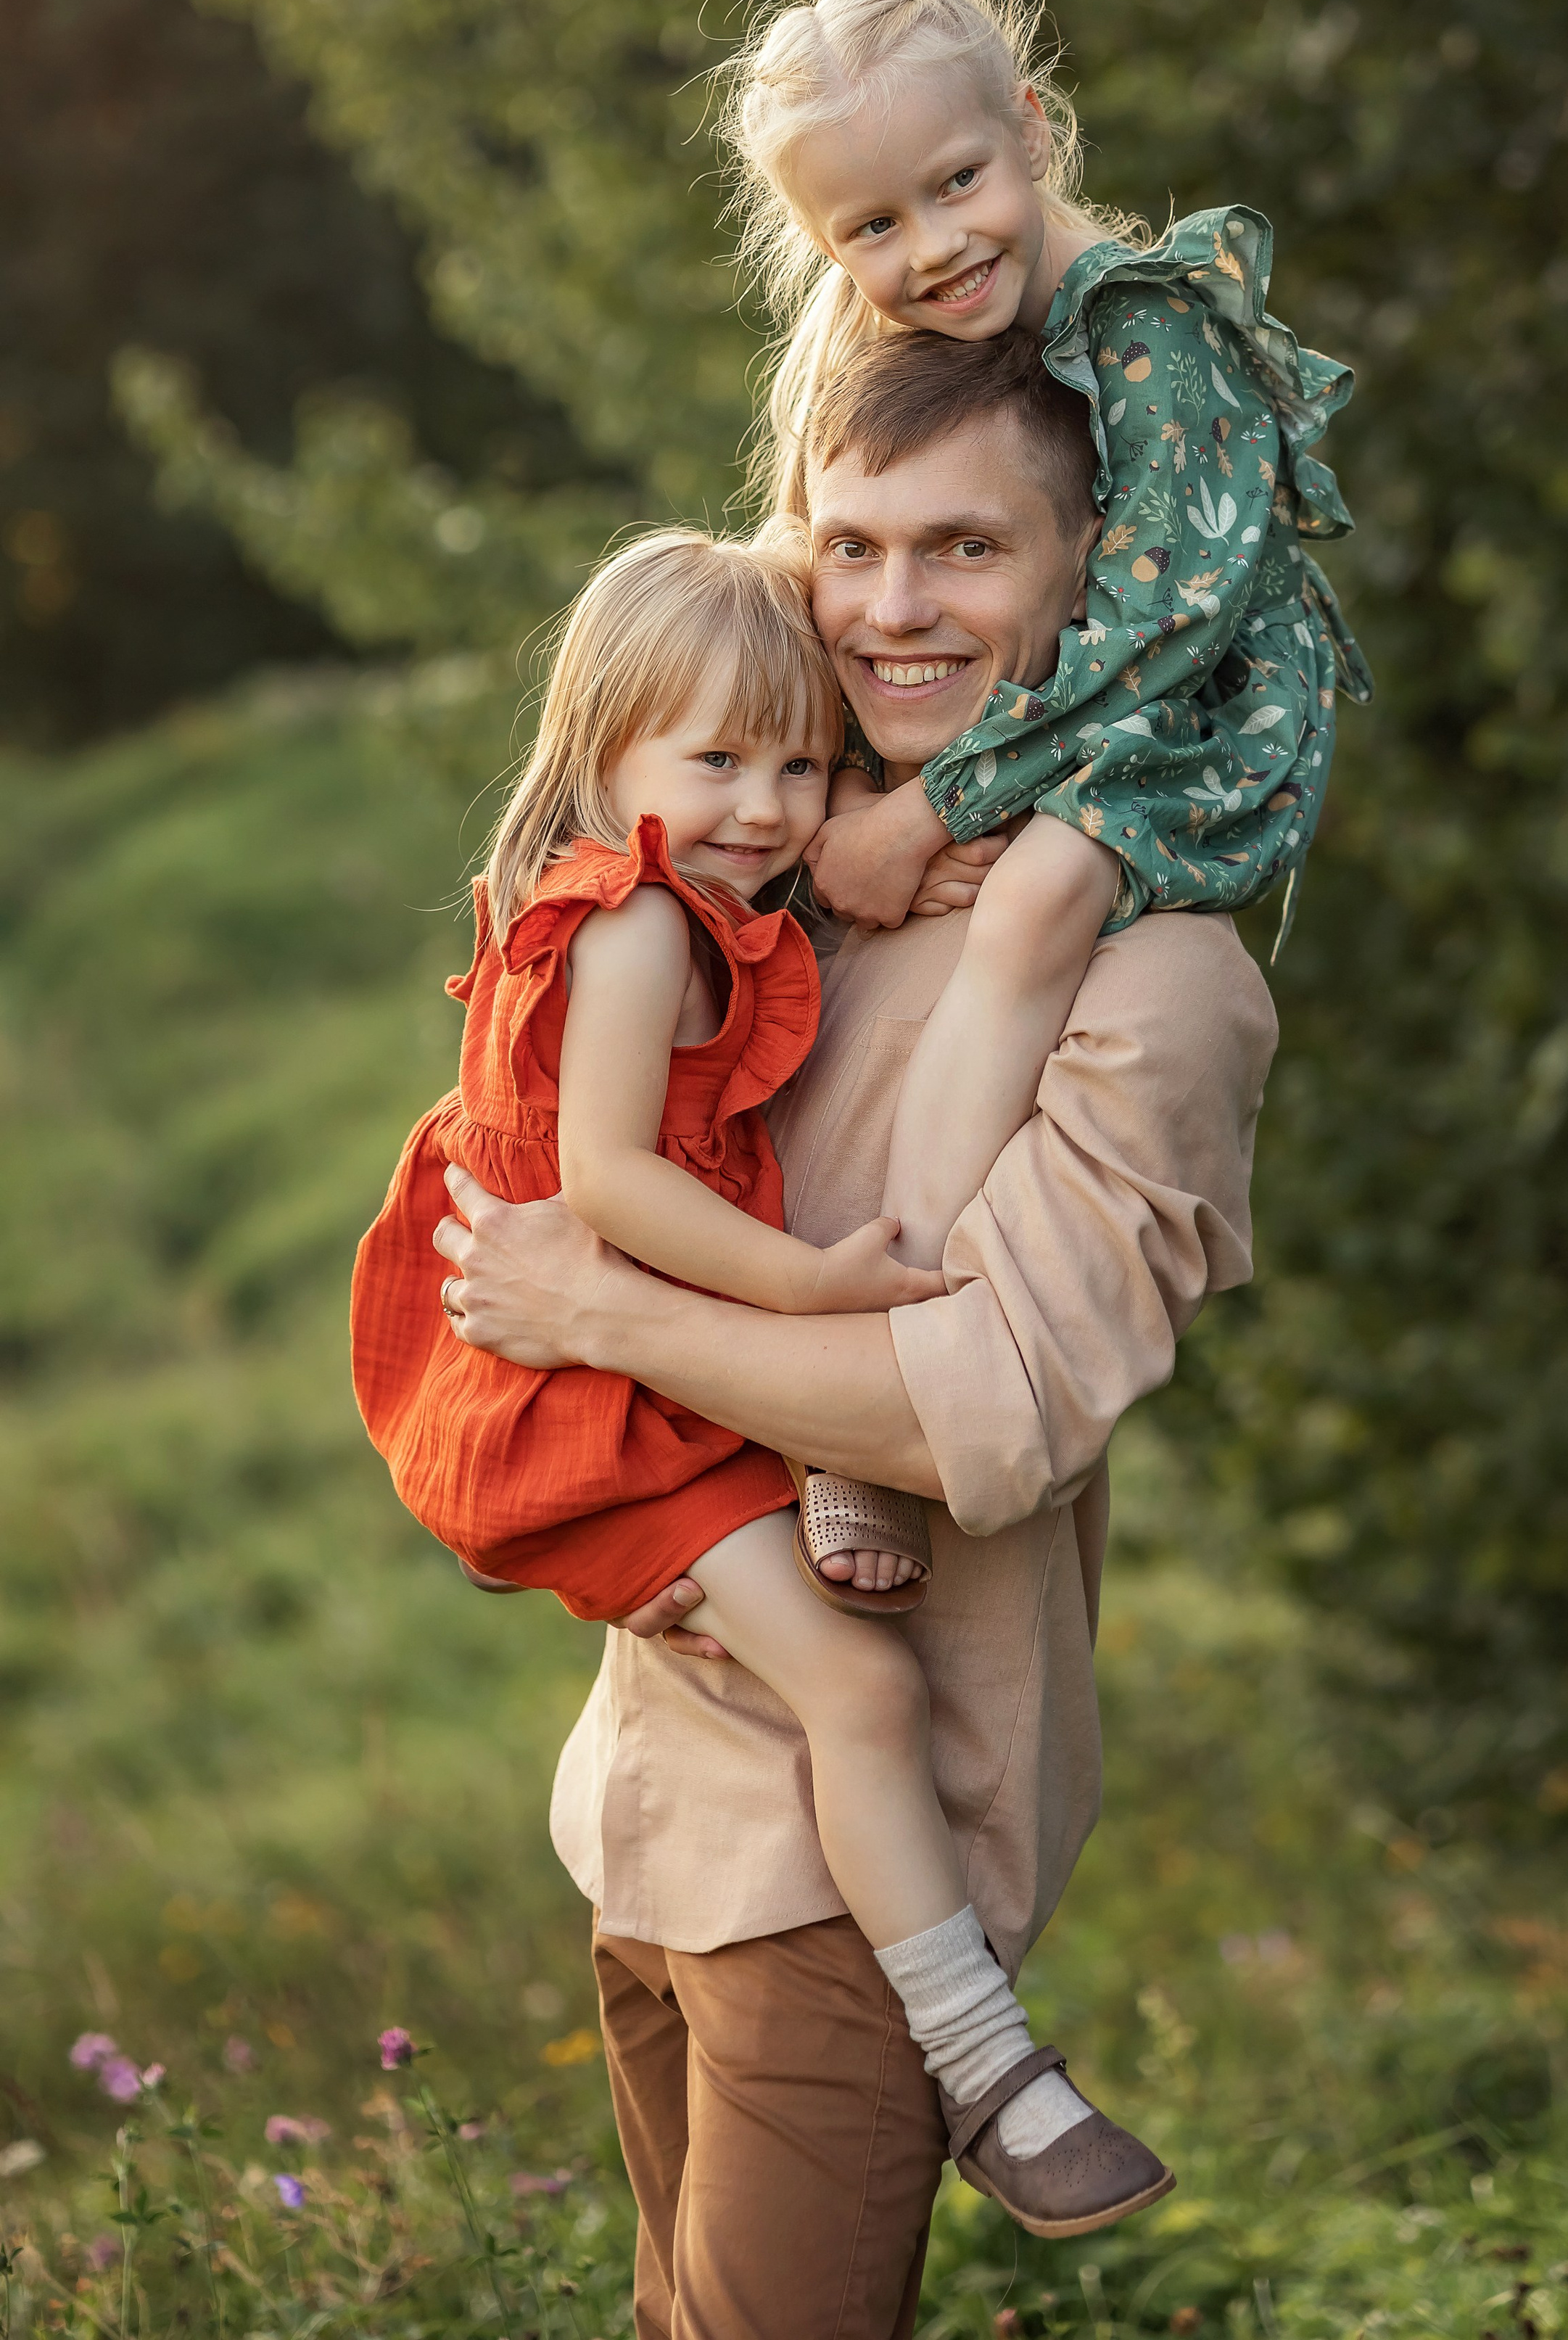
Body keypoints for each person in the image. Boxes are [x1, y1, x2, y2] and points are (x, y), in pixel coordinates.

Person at [432, 329, 1284, 2337]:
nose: (896, 608)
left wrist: (593, 1299)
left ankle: (993, 2071)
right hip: (646, 1805)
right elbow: (547, 1129)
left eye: (969, 547)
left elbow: (962, 1415)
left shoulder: (1156, 991)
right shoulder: (778, 884)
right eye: (855, 545)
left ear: (1093, 573)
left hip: (850, 1879)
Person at [350, 521, 1175, 2246]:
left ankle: (810, 1499)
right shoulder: (640, 927)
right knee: (861, 1697)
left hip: (617, 1382)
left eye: (801, 762)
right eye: (715, 759)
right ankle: (987, 2068)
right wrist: (808, 1293)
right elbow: (614, 1189)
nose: (766, 805)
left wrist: (916, 853)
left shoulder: (674, 896)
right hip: (586, 1402)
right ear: (601, 754)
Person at [715, 0, 1371, 1270]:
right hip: (1025, 712)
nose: (940, 247)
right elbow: (822, 563)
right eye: (875, 227)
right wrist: (851, 801)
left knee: (1032, 895)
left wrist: (936, 808)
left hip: (1185, 713)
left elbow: (1160, 641)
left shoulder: (1151, 330)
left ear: (1030, 122)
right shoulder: (865, 335)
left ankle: (911, 1269)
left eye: (959, 182)